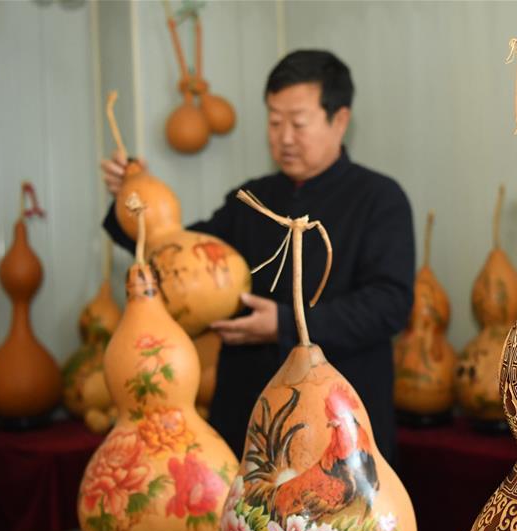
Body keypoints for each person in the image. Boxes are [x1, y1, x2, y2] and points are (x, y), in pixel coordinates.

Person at [101, 50, 414, 461]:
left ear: (339, 120)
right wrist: (134, 203)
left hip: (339, 420)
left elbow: (389, 305)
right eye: (273, 121)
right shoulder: (252, 199)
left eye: (298, 123)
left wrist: (284, 324)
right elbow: (176, 258)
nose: (283, 137)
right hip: (248, 413)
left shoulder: (379, 198)